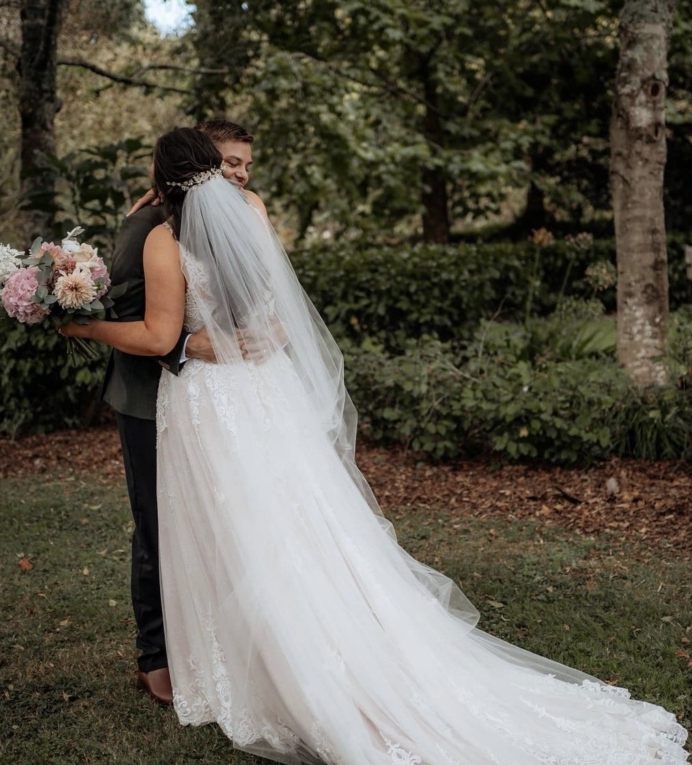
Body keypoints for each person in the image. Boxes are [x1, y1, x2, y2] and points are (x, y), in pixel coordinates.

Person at [64, 129, 689, 764]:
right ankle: (326, 642)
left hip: (207, 401)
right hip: (264, 396)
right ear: (212, 170)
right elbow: (282, 306)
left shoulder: (164, 240)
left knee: (228, 529)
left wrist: (82, 323)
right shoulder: (249, 215)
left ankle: (253, 668)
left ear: (161, 176)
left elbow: (158, 333)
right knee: (299, 523)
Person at [100, 120, 256, 705]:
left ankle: (198, 651)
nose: (238, 175)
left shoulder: (223, 218)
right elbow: (129, 306)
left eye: (244, 165)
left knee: (198, 524)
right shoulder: (150, 224)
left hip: (203, 396)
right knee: (158, 525)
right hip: (151, 398)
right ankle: (158, 656)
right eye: (230, 164)